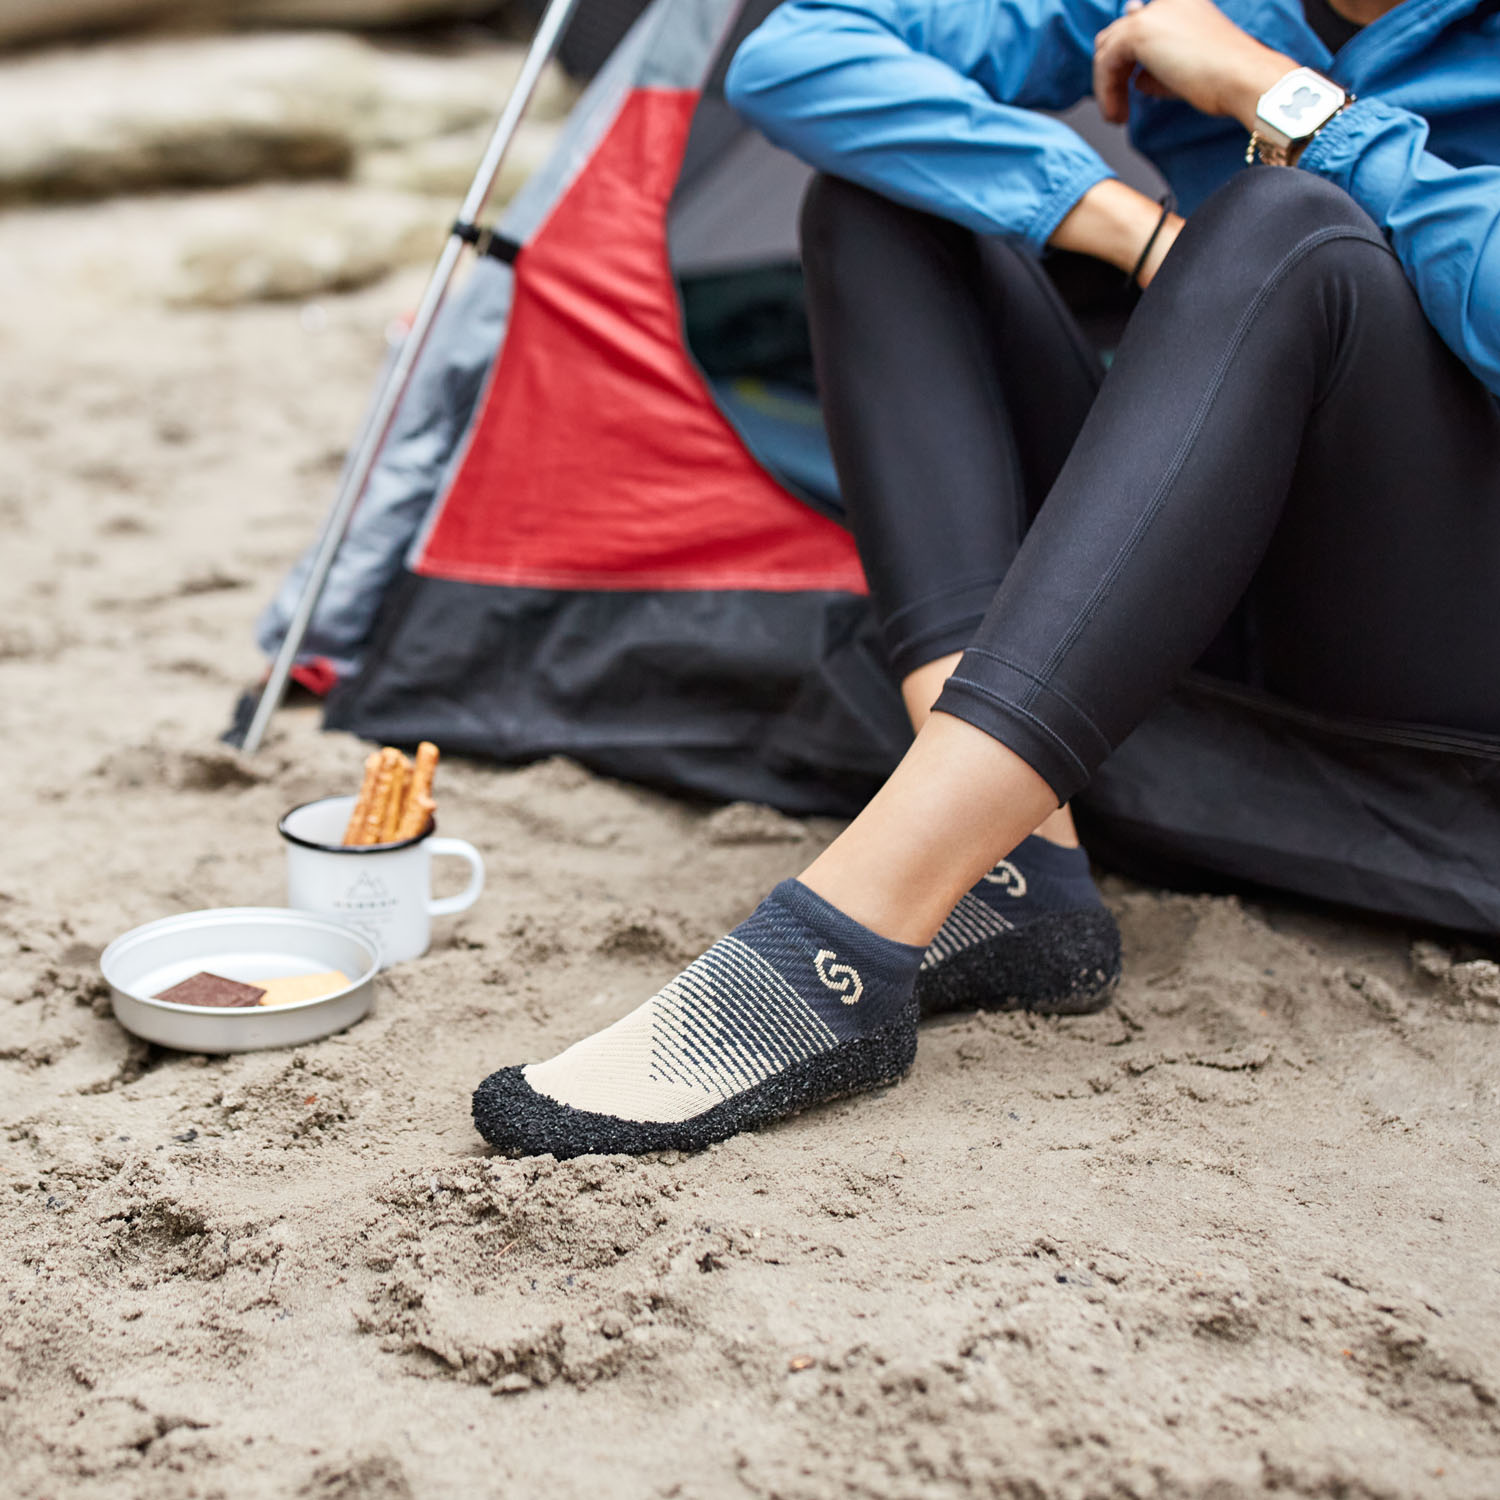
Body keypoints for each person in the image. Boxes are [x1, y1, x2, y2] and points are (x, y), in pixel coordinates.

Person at [472, 0, 1500, 1159]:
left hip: (1443, 631)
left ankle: (849, 941)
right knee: (883, 198)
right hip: (1204, 582)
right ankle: (1015, 864)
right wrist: (1140, 234)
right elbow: (798, 51)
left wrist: (1286, 103)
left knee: (1287, 224)